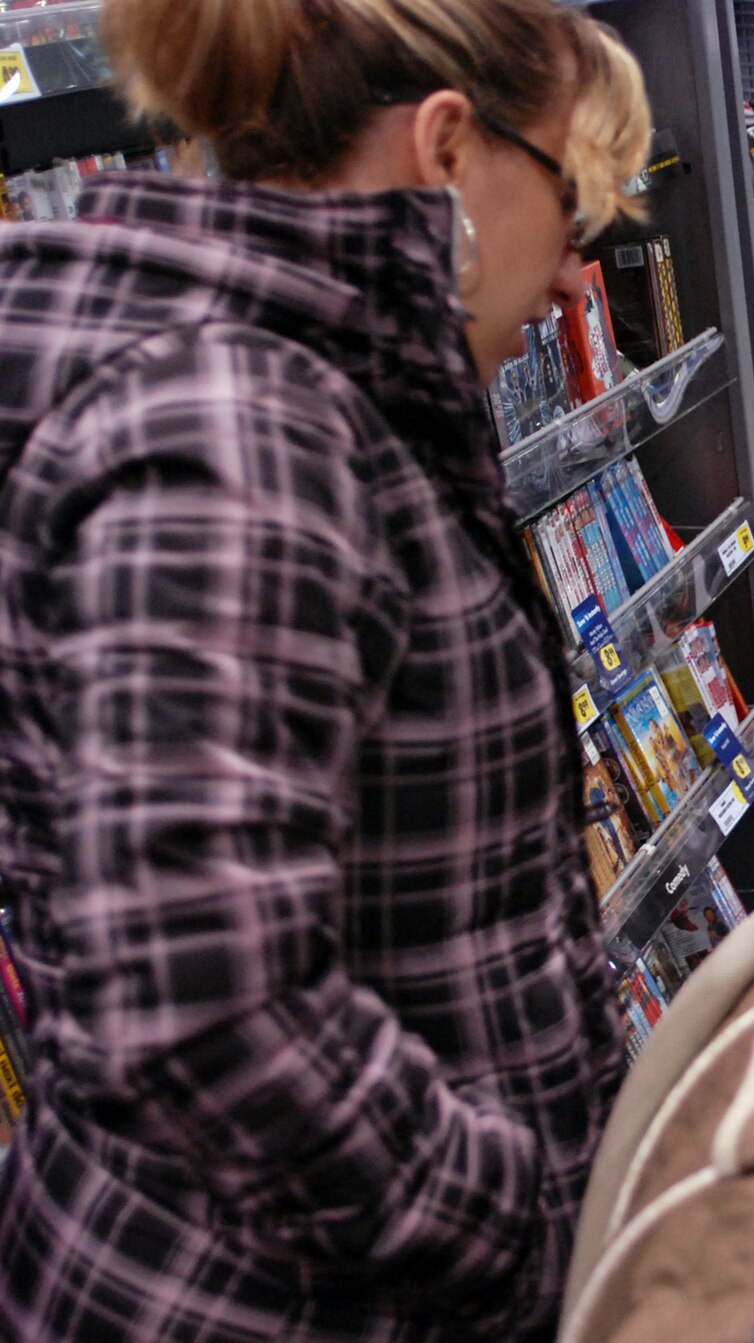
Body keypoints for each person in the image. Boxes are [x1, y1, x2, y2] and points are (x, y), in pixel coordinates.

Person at [0, 1, 650, 1339]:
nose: (584, 279)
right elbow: (204, 1002)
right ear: (449, 150)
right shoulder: (246, 432)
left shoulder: (320, 394)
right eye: (577, 213)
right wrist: (514, 1219)